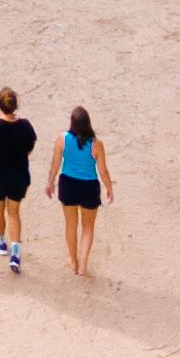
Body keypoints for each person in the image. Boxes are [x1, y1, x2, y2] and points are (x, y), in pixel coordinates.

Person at [0, 89, 38, 274]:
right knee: (14, 212)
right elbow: (29, 149)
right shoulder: (25, 126)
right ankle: (16, 253)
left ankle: (1, 241)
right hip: (18, 175)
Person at [54, 104, 109, 277]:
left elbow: (56, 164)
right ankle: (83, 265)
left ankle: (73, 260)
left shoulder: (62, 138)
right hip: (89, 187)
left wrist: (50, 181)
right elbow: (103, 171)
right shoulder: (97, 144)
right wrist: (109, 188)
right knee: (88, 227)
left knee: (70, 224)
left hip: (68, 184)